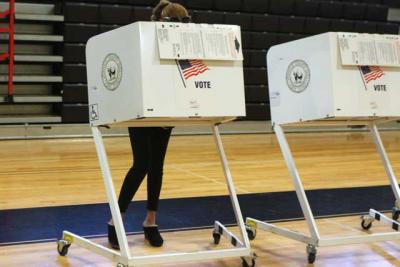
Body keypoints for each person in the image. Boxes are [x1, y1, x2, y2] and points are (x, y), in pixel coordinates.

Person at [108, 0, 191, 249]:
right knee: (141, 164)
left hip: (167, 112)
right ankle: (116, 220)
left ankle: (151, 221)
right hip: (143, 112)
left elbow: (183, 76)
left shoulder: (182, 46)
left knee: (157, 167)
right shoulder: (143, 41)